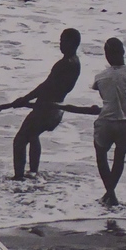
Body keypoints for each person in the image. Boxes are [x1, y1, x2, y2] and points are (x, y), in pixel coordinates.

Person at [11, 28, 81, 179]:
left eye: (63, 41)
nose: (60, 44)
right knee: (33, 135)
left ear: (73, 43)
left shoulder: (64, 64)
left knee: (20, 140)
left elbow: (46, 86)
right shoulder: (76, 62)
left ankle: (18, 177)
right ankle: (33, 172)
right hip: (57, 108)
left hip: (47, 109)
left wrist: (25, 99)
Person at [91, 37, 126, 206]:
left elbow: (104, 95)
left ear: (106, 55)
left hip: (107, 120)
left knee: (101, 154)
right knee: (119, 157)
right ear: (123, 52)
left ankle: (110, 193)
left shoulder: (100, 77)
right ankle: (110, 194)